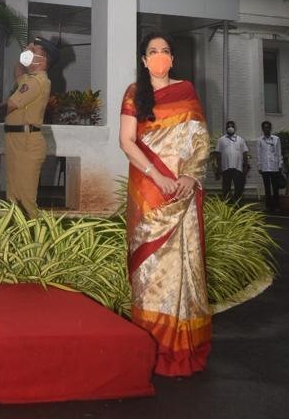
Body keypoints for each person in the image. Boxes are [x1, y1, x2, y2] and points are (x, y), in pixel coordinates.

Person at [119, 33, 211, 377]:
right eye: (152, 52)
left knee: (183, 266)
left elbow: (201, 140)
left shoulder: (186, 91)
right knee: (152, 267)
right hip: (150, 189)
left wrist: (190, 175)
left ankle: (181, 346)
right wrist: (158, 177)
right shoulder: (134, 93)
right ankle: (151, 346)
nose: (159, 57)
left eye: (165, 51)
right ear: (144, 60)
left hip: (183, 190)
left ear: (172, 58)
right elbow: (126, 141)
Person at [3, 37, 56, 217]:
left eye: (34, 53)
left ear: (44, 60)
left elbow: (10, 105)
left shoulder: (36, 82)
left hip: (27, 142)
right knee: (13, 195)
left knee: (26, 199)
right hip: (17, 140)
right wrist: (23, 57)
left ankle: (35, 238)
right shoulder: (29, 78)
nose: (30, 54)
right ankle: (17, 237)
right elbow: (18, 75)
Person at [214, 120, 250, 202]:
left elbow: (245, 153)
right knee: (226, 188)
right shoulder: (221, 140)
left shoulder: (240, 140)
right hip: (226, 168)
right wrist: (219, 167)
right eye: (228, 126)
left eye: (232, 126)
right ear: (226, 128)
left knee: (239, 187)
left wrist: (245, 165)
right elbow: (218, 154)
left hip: (238, 168)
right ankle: (227, 204)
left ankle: (237, 204)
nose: (230, 128)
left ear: (235, 128)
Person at [257, 120, 283, 212]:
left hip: (275, 167)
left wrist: (280, 164)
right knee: (267, 187)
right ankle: (268, 206)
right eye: (264, 127)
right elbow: (259, 154)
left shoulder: (276, 139)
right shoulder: (260, 140)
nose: (266, 129)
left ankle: (277, 206)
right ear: (262, 129)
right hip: (265, 168)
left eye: (268, 127)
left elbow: (279, 152)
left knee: (275, 187)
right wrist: (259, 166)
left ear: (270, 128)